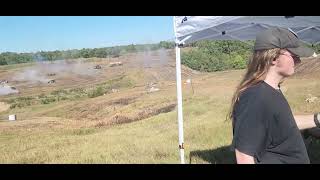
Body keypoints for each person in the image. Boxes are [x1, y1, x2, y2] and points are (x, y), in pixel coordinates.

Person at [228, 27, 320, 164]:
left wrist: (317, 119)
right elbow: (244, 157)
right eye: (294, 56)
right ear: (274, 58)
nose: (299, 61)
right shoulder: (255, 97)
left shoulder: (271, 90)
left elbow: (282, 123)